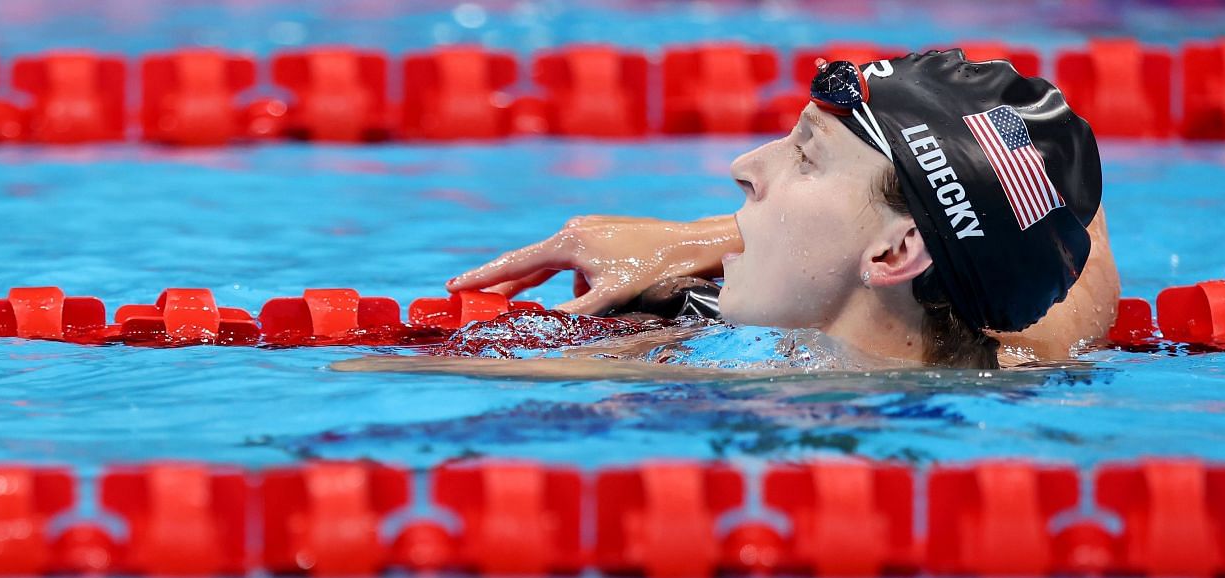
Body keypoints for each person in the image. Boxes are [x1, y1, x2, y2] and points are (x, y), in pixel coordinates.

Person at [347, 50, 1118, 377]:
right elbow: (1066, 219)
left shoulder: (698, 380)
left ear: (893, 255)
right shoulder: (1030, 347)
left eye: (804, 155)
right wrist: (702, 239)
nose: (742, 166)